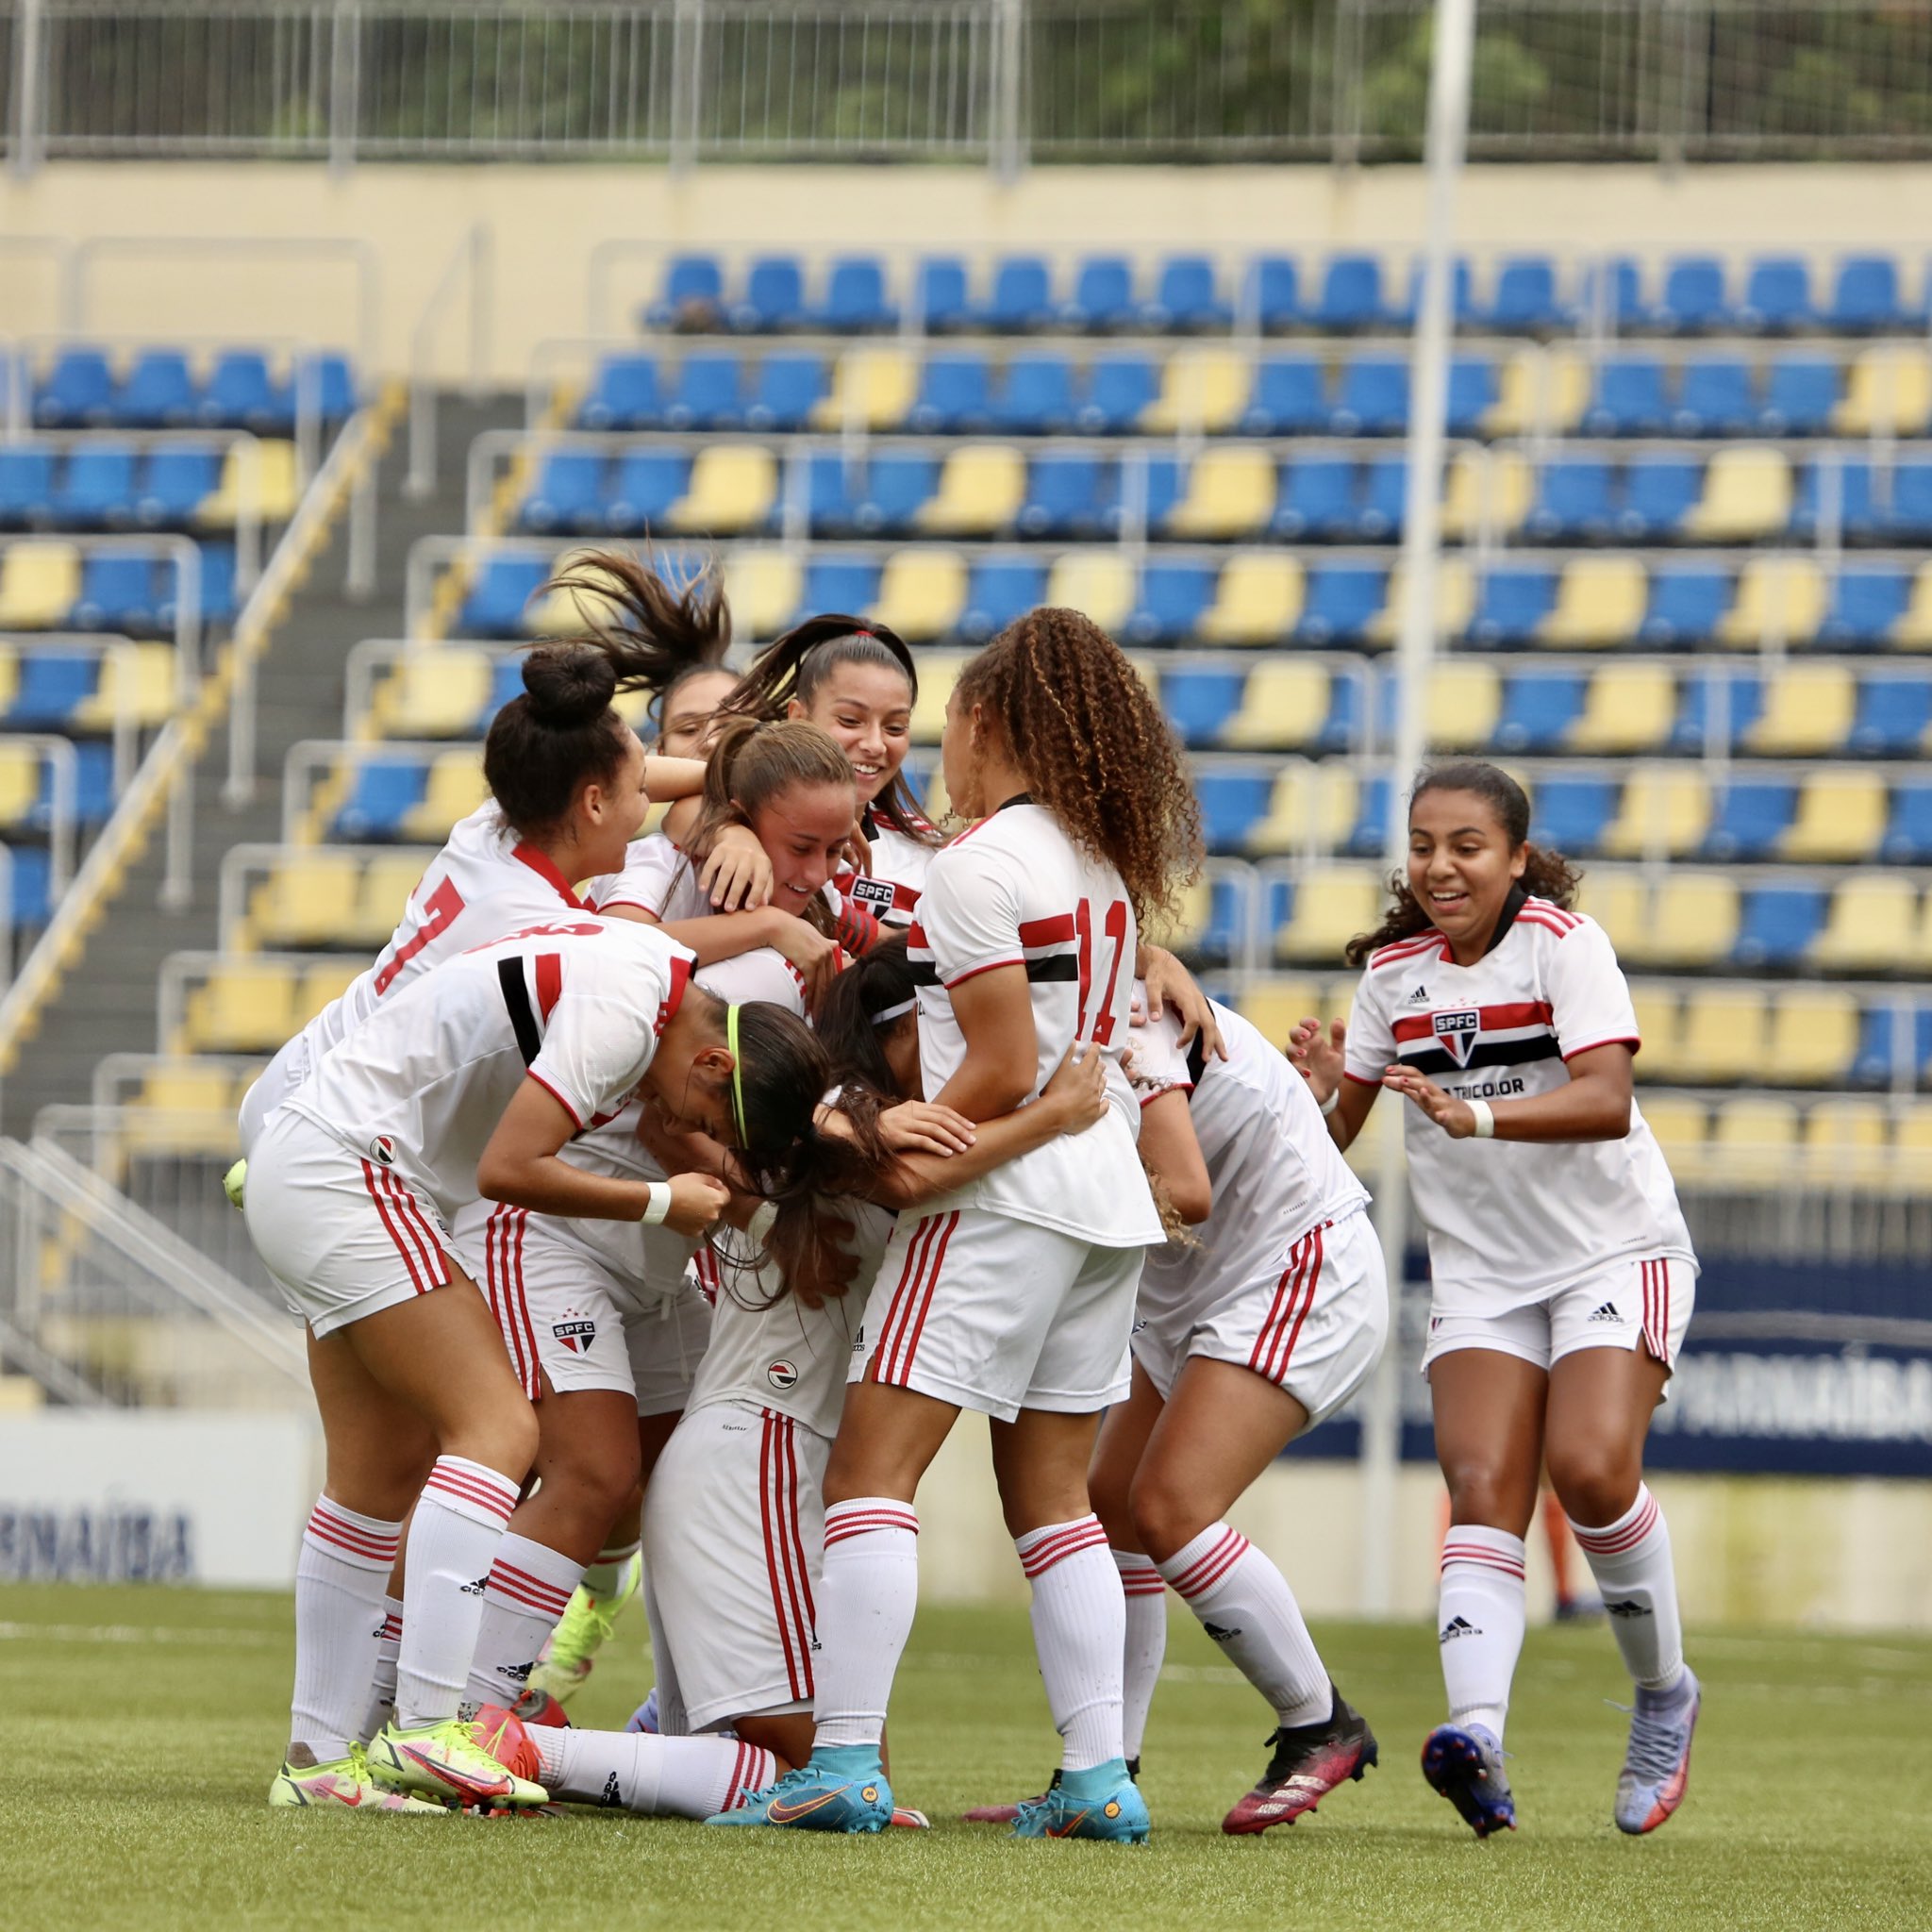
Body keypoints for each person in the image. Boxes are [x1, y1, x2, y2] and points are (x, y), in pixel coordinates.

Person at [716, 606, 1202, 1841]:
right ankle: (1098, 1777)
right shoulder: (1098, 858)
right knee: (1052, 1500)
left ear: (988, 723)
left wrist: (903, 1156)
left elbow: (989, 1066)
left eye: (944, 730)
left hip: (1004, 1203)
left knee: (869, 1472)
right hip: (1101, 1209)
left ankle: (842, 1765)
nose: (937, 756)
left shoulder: (985, 862)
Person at [246, 908, 833, 1813]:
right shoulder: (627, 1011)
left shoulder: (658, 974)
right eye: (712, 1112)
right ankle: (431, 1727)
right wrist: (656, 1202)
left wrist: (769, 926)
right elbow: (506, 1170)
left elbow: (672, 948)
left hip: (316, 1157)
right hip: (356, 1169)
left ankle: (319, 1759)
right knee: (497, 1430)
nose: (680, 1120)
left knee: (374, 1480)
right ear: (715, 1062)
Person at [1291, 759, 1701, 1840]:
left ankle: (1663, 1693)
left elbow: (1606, 1099)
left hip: (1615, 1250)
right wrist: (1321, 1091)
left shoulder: (1566, 948)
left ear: (1515, 857)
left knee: (1591, 1466)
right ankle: (1474, 1736)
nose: (1438, 865)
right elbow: (1341, 1137)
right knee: (1480, 1483)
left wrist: (1472, 1117)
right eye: (1423, 844)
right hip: (1481, 1269)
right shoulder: (1391, 974)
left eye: (1465, 845)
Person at [455, 717, 878, 1724]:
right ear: (737, 812)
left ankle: (673, 1712)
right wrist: (762, 1193)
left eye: (833, 850)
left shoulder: (821, 919)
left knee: (674, 1480)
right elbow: (627, 963)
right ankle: (459, 1711)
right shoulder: (658, 867)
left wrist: (1147, 967)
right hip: (559, 1227)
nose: (814, 871)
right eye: (799, 847)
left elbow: (927, 960)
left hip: (658, 1254)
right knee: (588, 1470)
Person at [970, 986, 1389, 1835]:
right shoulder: (1092, 998)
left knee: (1167, 1508)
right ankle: (1103, 1771)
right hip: (1205, 1284)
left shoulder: (1133, 1014)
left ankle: (1320, 1722)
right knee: (1115, 1509)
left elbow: (1186, 1191)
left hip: (1293, 1269)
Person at [233, 611, 727, 1162]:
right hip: (332, 1132)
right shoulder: (540, 927)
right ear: (592, 803)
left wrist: (728, 776)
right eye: (640, 790)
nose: (648, 802)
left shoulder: (497, 821)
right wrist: (774, 926)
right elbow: (647, 954)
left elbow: (627, 774)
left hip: (302, 1077)